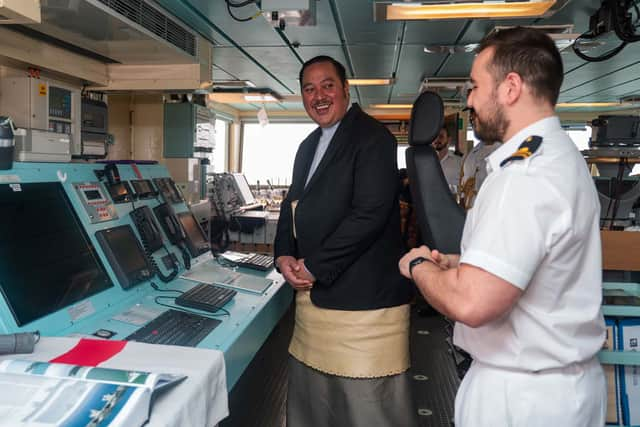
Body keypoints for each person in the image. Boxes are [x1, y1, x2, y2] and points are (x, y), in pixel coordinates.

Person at [399, 27, 606, 427]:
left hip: (523, 399)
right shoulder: (559, 157)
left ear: (511, 87)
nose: (470, 99)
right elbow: (534, 260)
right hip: (555, 388)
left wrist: (419, 265)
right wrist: (464, 262)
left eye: (476, 86)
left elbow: (471, 303)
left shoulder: (524, 175)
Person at [274, 55, 417, 427]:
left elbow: (369, 214)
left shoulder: (373, 138)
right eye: (309, 88)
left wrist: (315, 266)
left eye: (327, 85)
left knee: (367, 409)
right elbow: (293, 203)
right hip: (314, 302)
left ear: (345, 90)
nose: (318, 95)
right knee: (314, 404)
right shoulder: (308, 146)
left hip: (363, 306)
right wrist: (283, 254)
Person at [458, 111, 499, 210]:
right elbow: (463, 191)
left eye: (477, 119)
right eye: (471, 121)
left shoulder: (504, 151)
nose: (473, 123)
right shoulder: (471, 154)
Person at [432, 125, 463, 192]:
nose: (437, 140)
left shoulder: (460, 162)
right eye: (435, 137)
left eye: (441, 136)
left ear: (448, 139)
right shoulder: (426, 163)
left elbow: (464, 187)